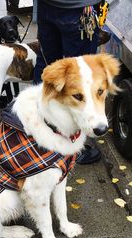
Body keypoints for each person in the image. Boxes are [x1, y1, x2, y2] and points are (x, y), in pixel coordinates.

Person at [33, 0, 103, 164]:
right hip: (79, 9)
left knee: (48, 68)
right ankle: (70, 146)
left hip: (48, 6)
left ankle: (36, 130)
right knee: (81, 75)